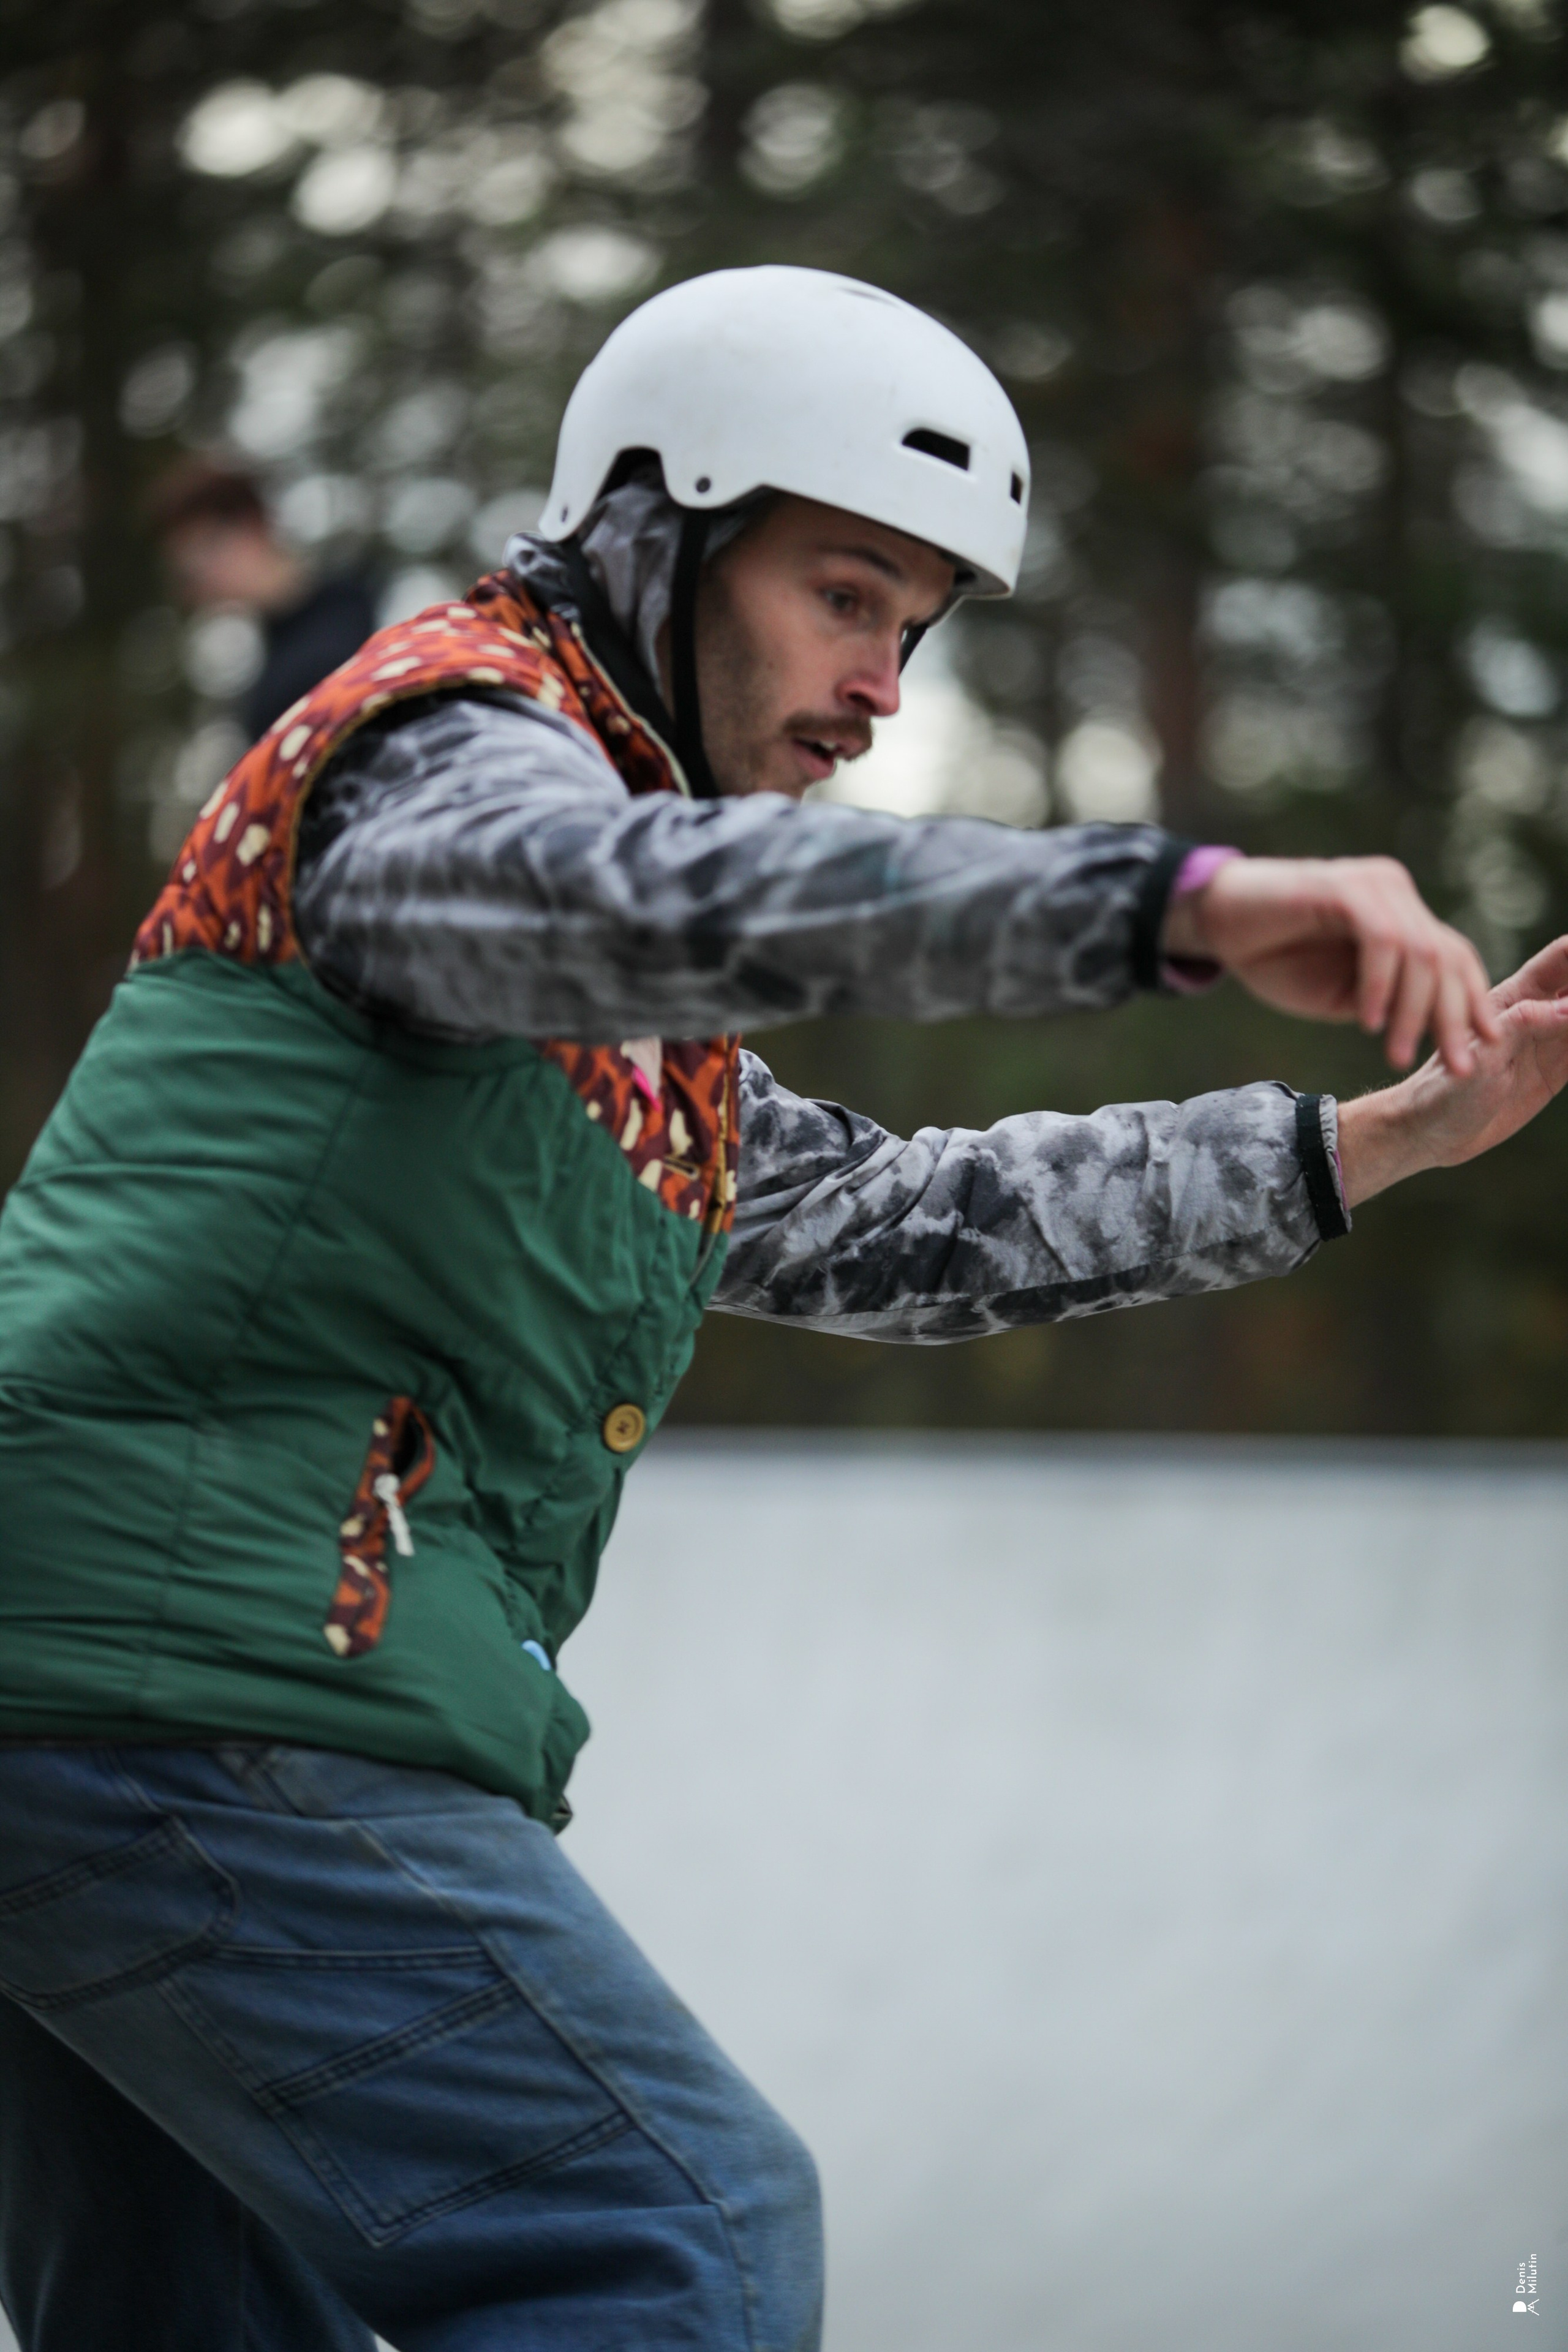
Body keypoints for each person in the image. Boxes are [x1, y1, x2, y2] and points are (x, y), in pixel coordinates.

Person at [1, 265, 1566, 2352]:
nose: (881, 691)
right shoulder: (440, 754)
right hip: (181, 1682)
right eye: (847, 595)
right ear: (661, 527)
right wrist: (1171, 907)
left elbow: (918, 1222)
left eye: (916, 630)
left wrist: (1374, 1146)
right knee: (672, 2240)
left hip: (112, 1700)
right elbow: (638, 896)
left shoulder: (634, 1052)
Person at [148, 456, 377, 741]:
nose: (207, 579)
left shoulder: (379, 602)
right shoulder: (264, 692)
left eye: (208, 549)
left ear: (253, 524)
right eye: (189, 572)